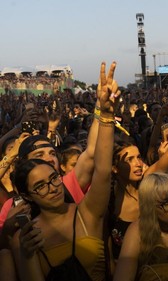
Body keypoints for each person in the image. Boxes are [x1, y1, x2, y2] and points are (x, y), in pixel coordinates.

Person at [9, 61, 118, 281]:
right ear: (27, 195)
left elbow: (103, 170)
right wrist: (28, 254)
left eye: (53, 179)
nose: (52, 188)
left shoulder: (86, 213)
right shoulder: (27, 238)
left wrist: (106, 114)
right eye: (40, 186)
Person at [109, 77, 168, 259]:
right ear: (114, 168)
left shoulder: (148, 181)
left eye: (138, 157)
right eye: (129, 160)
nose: (137, 163)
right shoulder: (108, 200)